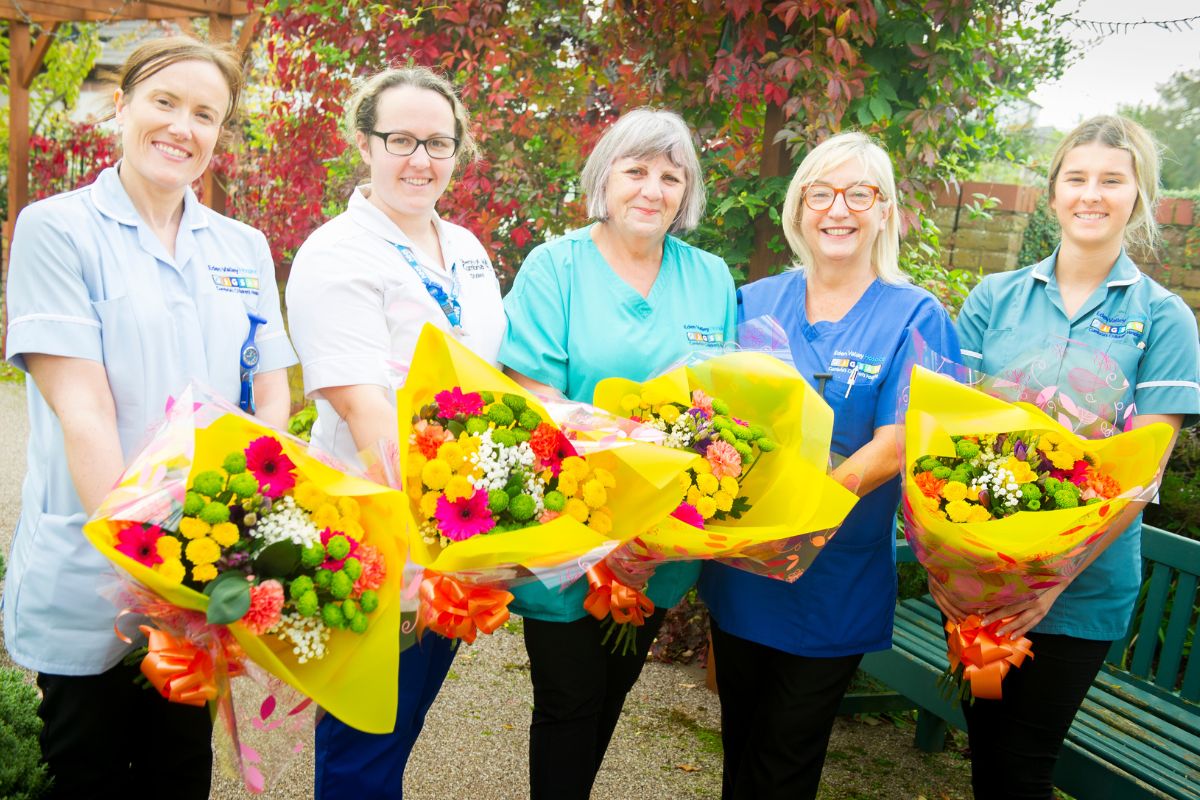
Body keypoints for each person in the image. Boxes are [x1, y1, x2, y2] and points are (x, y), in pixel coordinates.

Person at [2, 36, 294, 800]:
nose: (182, 127)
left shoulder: (243, 246)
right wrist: (155, 564)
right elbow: (86, 414)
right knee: (87, 769)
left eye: (206, 114)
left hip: (208, 564)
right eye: (165, 102)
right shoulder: (57, 228)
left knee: (177, 771)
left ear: (219, 135)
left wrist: (246, 535)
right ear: (122, 106)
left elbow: (270, 393)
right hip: (101, 562)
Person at [696, 132, 960, 800]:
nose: (837, 209)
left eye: (858, 193)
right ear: (798, 208)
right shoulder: (752, 302)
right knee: (741, 739)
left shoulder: (915, 315)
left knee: (789, 753)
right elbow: (709, 412)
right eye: (821, 192)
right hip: (744, 571)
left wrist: (810, 504)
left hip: (833, 579)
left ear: (884, 211)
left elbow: (904, 438)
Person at [943, 115, 1200, 800]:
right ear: (1053, 192)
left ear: (1138, 196)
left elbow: (1141, 474)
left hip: (1081, 590)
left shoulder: (1165, 319)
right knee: (986, 755)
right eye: (1077, 178)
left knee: (1024, 764)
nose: (1092, 194)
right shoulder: (992, 299)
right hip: (982, 575)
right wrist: (964, 566)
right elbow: (947, 442)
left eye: (1112, 180)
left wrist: (1052, 582)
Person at [499, 107, 736, 799]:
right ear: (605, 179)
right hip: (574, 530)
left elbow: (722, 397)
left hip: (662, 538)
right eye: (636, 171)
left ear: (686, 191)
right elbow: (535, 391)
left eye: (671, 175)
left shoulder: (710, 277)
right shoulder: (556, 266)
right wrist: (625, 453)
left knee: (612, 692)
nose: (652, 189)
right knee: (569, 700)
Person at [285, 67, 505, 799]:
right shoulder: (337, 253)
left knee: (400, 728)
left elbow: (489, 385)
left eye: (438, 142)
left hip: (456, 534)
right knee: (362, 745)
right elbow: (366, 410)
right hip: (376, 539)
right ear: (364, 142)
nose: (421, 159)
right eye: (401, 138)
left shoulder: (469, 247)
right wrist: (442, 528)